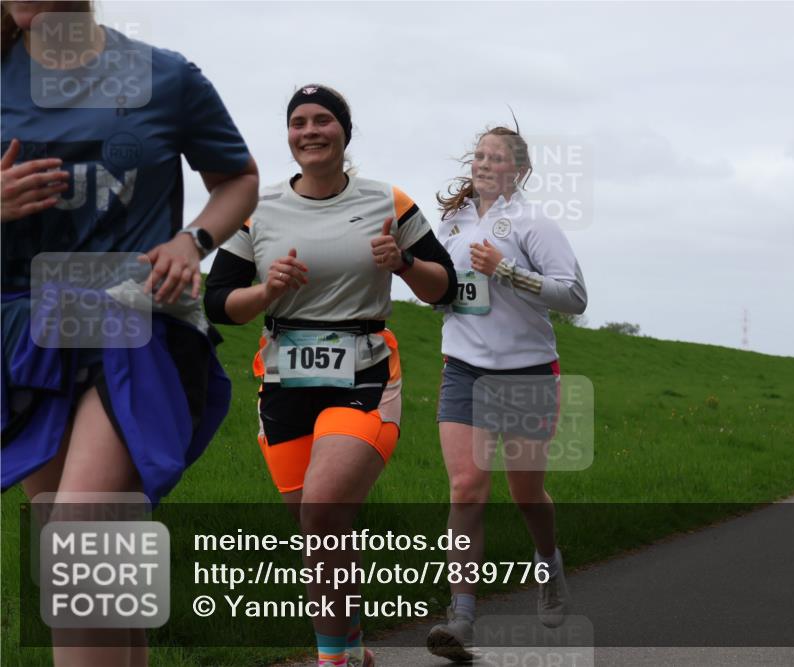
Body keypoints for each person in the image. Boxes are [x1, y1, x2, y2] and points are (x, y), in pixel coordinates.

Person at [1, 3, 258, 665]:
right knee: (102, 565)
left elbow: (238, 176)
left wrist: (192, 238)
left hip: (135, 317)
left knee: (79, 544)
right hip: (27, 333)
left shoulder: (164, 78)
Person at [204, 83, 457, 667]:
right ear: (288, 135)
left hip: (363, 369)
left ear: (345, 132)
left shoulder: (386, 201)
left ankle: (331, 661)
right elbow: (218, 303)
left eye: (323, 121)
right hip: (284, 380)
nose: (310, 131)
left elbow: (443, 285)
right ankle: (352, 647)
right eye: (298, 122)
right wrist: (266, 289)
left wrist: (406, 263)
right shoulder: (258, 210)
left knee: (322, 509)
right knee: (318, 535)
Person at [426, 126, 587, 662]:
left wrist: (509, 271)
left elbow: (575, 296)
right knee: (466, 488)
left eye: (497, 159)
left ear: (518, 172)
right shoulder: (451, 221)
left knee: (526, 495)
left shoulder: (533, 223)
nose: (484, 164)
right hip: (463, 368)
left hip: (527, 373)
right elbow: (442, 294)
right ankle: (462, 615)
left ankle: (549, 565)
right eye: (479, 155)